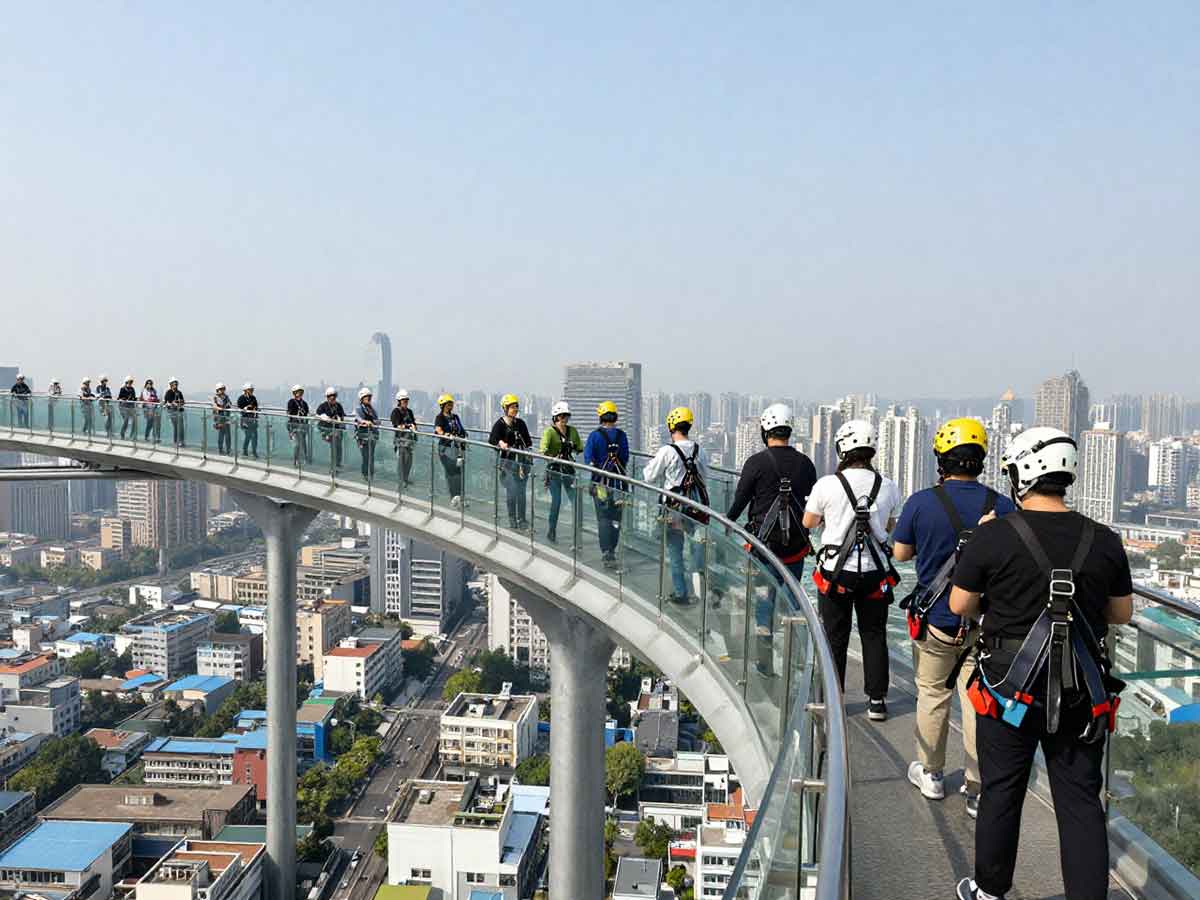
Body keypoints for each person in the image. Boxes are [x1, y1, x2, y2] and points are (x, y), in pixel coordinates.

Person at [949, 427, 1132, 900]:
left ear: (1022, 474)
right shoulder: (1105, 539)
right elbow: (1121, 613)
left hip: (1009, 688)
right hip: (1080, 689)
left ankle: (990, 890)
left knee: (1002, 790)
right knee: (1079, 801)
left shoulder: (994, 537)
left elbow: (959, 604)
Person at [893, 418, 1016, 817]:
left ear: (941, 460)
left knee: (932, 694)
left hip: (937, 619)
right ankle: (977, 786)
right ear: (980, 459)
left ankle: (931, 773)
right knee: (978, 701)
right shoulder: (1001, 506)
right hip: (985, 621)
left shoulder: (921, 502)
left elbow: (900, 554)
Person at [802, 419, 901, 721]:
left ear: (843, 448)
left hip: (836, 573)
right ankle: (877, 701)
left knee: (835, 636)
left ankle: (835, 699)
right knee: (874, 634)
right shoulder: (888, 486)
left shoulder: (827, 485)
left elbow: (809, 522)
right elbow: (888, 526)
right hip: (874, 572)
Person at [727, 403, 818, 675]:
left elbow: (740, 500)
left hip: (763, 548)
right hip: (796, 548)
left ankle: (764, 661)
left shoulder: (756, 462)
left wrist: (727, 524)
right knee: (791, 602)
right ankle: (794, 662)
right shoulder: (806, 464)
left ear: (765, 430)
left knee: (763, 602)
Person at [643, 407, 710, 604]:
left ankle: (681, 592)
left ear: (672, 426)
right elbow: (705, 479)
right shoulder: (700, 451)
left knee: (675, 550)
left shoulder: (667, 451)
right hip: (695, 507)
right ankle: (700, 591)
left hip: (673, 509)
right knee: (696, 547)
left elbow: (648, 476)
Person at [583, 400, 630, 567]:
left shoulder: (595, 436)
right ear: (614, 416)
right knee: (616, 517)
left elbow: (588, 459)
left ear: (600, 416)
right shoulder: (621, 435)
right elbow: (625, 458)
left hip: (600, 483)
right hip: (618, 483)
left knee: (603, 517)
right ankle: (613, 548)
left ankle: (607, 551)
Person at [539, 401, 583, 544]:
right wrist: (553, 456)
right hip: (554, 470)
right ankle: (552, 531)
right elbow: (543, 450)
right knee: (556, 501)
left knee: (576, 500)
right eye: (562, 416)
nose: (564, 419)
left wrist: (573, 447)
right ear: (556, 417)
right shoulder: (549, 432)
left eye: (566, 416)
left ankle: (577, 533)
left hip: (568, 470)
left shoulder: (572, 431)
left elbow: (579, 448)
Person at [489, 394, 533, 530]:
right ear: (505, 408)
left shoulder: (520, 424)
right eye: (512, 407)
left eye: (516, 407)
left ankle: (522, 519)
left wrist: (529, 454)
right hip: (507, 462)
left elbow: (528, 442)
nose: (515, 409)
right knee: (512, 491)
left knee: (521, 492)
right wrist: (501, 442)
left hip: (522, 463)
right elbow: (492, 439)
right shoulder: (500, 424)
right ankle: (512, 518)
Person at [434, 394, 466, 508]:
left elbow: (461, 429)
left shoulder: (455, 417)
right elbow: (438, 429)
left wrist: (463, 436)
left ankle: (458, 496)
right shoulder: (440, 417)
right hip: (445, 448)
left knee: (458, 472)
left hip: (457, 448)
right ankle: (454, 496)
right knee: (452, 471)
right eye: (448, 404)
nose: (450, 406)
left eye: (451, 404)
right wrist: (445, 434)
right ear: (442, 405)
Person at [390, 389, 417, 486]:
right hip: (400, 441)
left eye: (406, 400)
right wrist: (409, 426)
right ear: (399, 401)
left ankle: (405, 479)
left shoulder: (409, 411)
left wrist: (413, 426)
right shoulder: (395, 412)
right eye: (404, 400)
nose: (405, 402)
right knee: (401, 462)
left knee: (409, 462)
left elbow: (414, 423)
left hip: (409, 441)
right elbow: (397, 426)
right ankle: (400, 481)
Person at [316, 388, 346, 469]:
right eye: (330, 396)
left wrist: (339, 421)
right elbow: (319, 415)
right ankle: (333, 465)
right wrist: (327, 419)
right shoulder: (323, 406)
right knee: (334, 448)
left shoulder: (338, 406)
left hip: (337, 430)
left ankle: (338, 464)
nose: (332, 398)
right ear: (327, 397)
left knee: (339, 448)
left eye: (333, 396)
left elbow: (342, 416)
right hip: (327, 431)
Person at [354, 387, 380, 479]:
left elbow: (377, 420)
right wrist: (365, 422)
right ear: (362, 398)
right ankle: (365, 474)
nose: (369, 399)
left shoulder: (371, 409)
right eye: (367, 397)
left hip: (372, 436)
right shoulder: (359, 409)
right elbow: (358, 418)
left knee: (371, 456)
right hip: (362, 437)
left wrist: (375, 422)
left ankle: (371, 474)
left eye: (369, 397)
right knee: (365, 456)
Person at [286, 385, 312, 466]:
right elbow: (289, 413)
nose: (299, 393)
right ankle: (295, 460)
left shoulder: (304, 403)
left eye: (301, 391)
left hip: (302, 425)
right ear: (294, 393)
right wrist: (290, 430)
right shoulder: (291, 402)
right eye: (298, 391)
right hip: (294, 426)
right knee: (297, 444)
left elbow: (306, 414)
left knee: (303, 443)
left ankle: (305, 458)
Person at [237, 383, 259, 457]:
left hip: (253, 419)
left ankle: (254, 452)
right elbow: (240, 407)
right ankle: (245, 451)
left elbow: (255, 407)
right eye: (250, 389)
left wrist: (253, 409)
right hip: (245, 420)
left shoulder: (253, 398)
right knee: (248, 436)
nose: (252, 391)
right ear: (246, 390)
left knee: (255, 436)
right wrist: (247, 407)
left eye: (252, 390)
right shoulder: (241, 398)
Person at [212, 383, 233, 455]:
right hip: (219, 418)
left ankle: (228, 450)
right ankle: (220, 450)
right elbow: (214, 406)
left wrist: (227, 406)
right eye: (221, 389)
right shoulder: (215, 397)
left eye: (223, 389)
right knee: (221, 435)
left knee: (228, 435)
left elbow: (230, 404)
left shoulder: (226, 397)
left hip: (226, 417)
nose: (223, 390)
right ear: (217, 390)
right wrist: (221, 408)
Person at [163, 378, 185, 446]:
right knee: (176, 427)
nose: (176, 385)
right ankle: (175, 441)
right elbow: (170, 402)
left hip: (179, 411)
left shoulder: (179, 392)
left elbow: (182, 401)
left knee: (181, 427)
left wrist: (178, 403)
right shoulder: (169, 392)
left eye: (176, 384)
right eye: (174, 384)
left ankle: (181, 441)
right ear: (171, 385)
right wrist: (176, 403)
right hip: (172, 412)